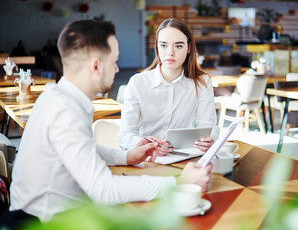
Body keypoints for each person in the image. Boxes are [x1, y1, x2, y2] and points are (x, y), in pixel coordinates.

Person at [8, 19, 212, 222]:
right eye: (114, 62)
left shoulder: (57, 97)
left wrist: (127, 157)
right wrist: (179, 181)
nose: (117, 70)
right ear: (96, 66)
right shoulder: (65, 112)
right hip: (46, 222)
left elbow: (85, 150)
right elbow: (104, 190)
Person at [118, 18, 219, 155]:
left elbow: (210, 127)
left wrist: (210, 139)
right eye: (164, 45)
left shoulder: (201, 83)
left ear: (188, 48)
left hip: (182, 157)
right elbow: (125, 135)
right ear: (157, 47)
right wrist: (146, 145)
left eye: (178, 46)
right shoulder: (138, 83)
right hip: (146, 157)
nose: (170, 53)